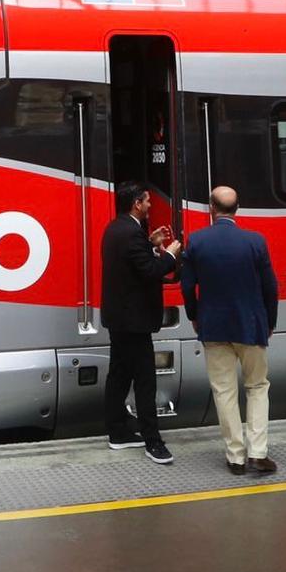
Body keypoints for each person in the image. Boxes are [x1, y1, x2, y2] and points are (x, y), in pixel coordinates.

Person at [180, 186, 281, 478]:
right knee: (257, 387)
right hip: (251, 325)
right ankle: (258, 453)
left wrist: (194, 316)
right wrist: (269, 321)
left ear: (211, 207)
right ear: (238, 208)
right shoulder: (255, 242)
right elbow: (270, 287)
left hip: (214, 326)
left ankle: (235, 457)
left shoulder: (197, 241)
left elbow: (187, 286)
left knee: (224, 391)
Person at [101, 180, 182, 465]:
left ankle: (117, 432)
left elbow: (131, 261)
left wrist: (150, 243)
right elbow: (149, 271)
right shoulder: (132, 234)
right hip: (134, 321)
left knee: (119, 375)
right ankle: (153, 442)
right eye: (147, 201)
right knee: (145, 381)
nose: (150, 205)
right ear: (137, 203)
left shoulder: (116, 229)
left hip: (118, 318)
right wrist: (171, 252)